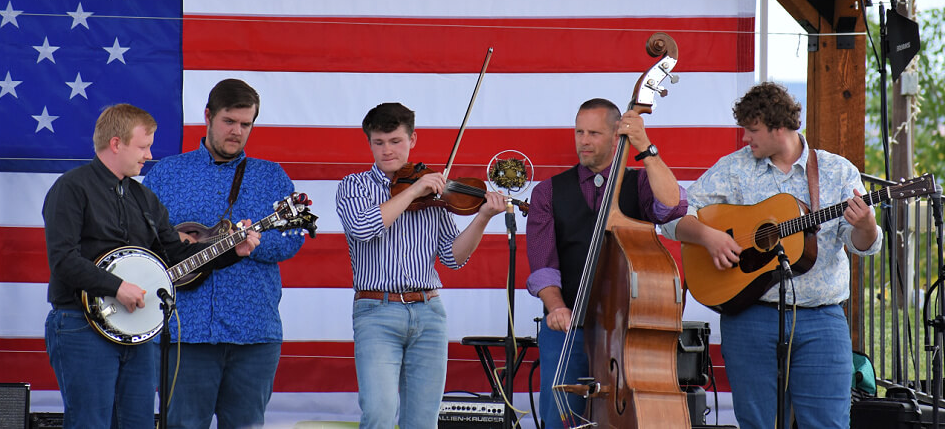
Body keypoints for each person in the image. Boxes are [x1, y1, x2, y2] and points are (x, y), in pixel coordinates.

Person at [660, 81, 881, 429]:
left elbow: (861, 244)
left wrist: (866, 224)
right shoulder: (734, 169)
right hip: (750, 315)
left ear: (779, 127)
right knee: (756, 423)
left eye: (753, 130)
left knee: (828, 423)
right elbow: (674, 216)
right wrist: (709, 237)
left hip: (821, 319)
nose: (746, 139)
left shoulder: (837, 171)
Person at [43, 103, 260, 429]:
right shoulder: (72, 188)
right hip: (80, 325)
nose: (149, 154)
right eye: (143, 146)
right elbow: (63, 259)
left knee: (139, 422)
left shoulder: (144, 199)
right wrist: (116, 287)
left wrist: (231, 251)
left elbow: (176, 256)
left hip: (137, 332)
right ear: (116, 143)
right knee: (90, 422)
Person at [143, 78, 308, 429]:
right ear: (207, 116)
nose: (237, 131)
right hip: (186, 330)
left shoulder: (270, 177)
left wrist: (253, 247)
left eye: (245, 124)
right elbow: (142, 240)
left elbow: (292, 239)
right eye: (229, 121)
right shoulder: (168, 173)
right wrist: (181, 244)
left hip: (254, 332)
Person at [335, 102, 507, 429]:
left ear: (413, 139)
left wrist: (482, 217)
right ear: (369, 142)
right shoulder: (354, 186)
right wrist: (414, 189)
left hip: (429, 310)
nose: (387, 150)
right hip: (376, 310)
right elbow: (363, 227)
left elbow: (453, 258)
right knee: (379, 413)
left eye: (396, 141)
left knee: (423, 421)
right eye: (379, 142)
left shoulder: (434, 190)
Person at [525, 97, 688, 428]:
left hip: (627, 331)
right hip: (567, 325)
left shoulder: (640, 183)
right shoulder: (548, 192)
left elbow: (674, 207)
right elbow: (543, 265)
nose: (583, 141)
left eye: (594, 134)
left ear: (617, 136)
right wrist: (556, 308)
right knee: (560, 419)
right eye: (579, 132)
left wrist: (646, 148)